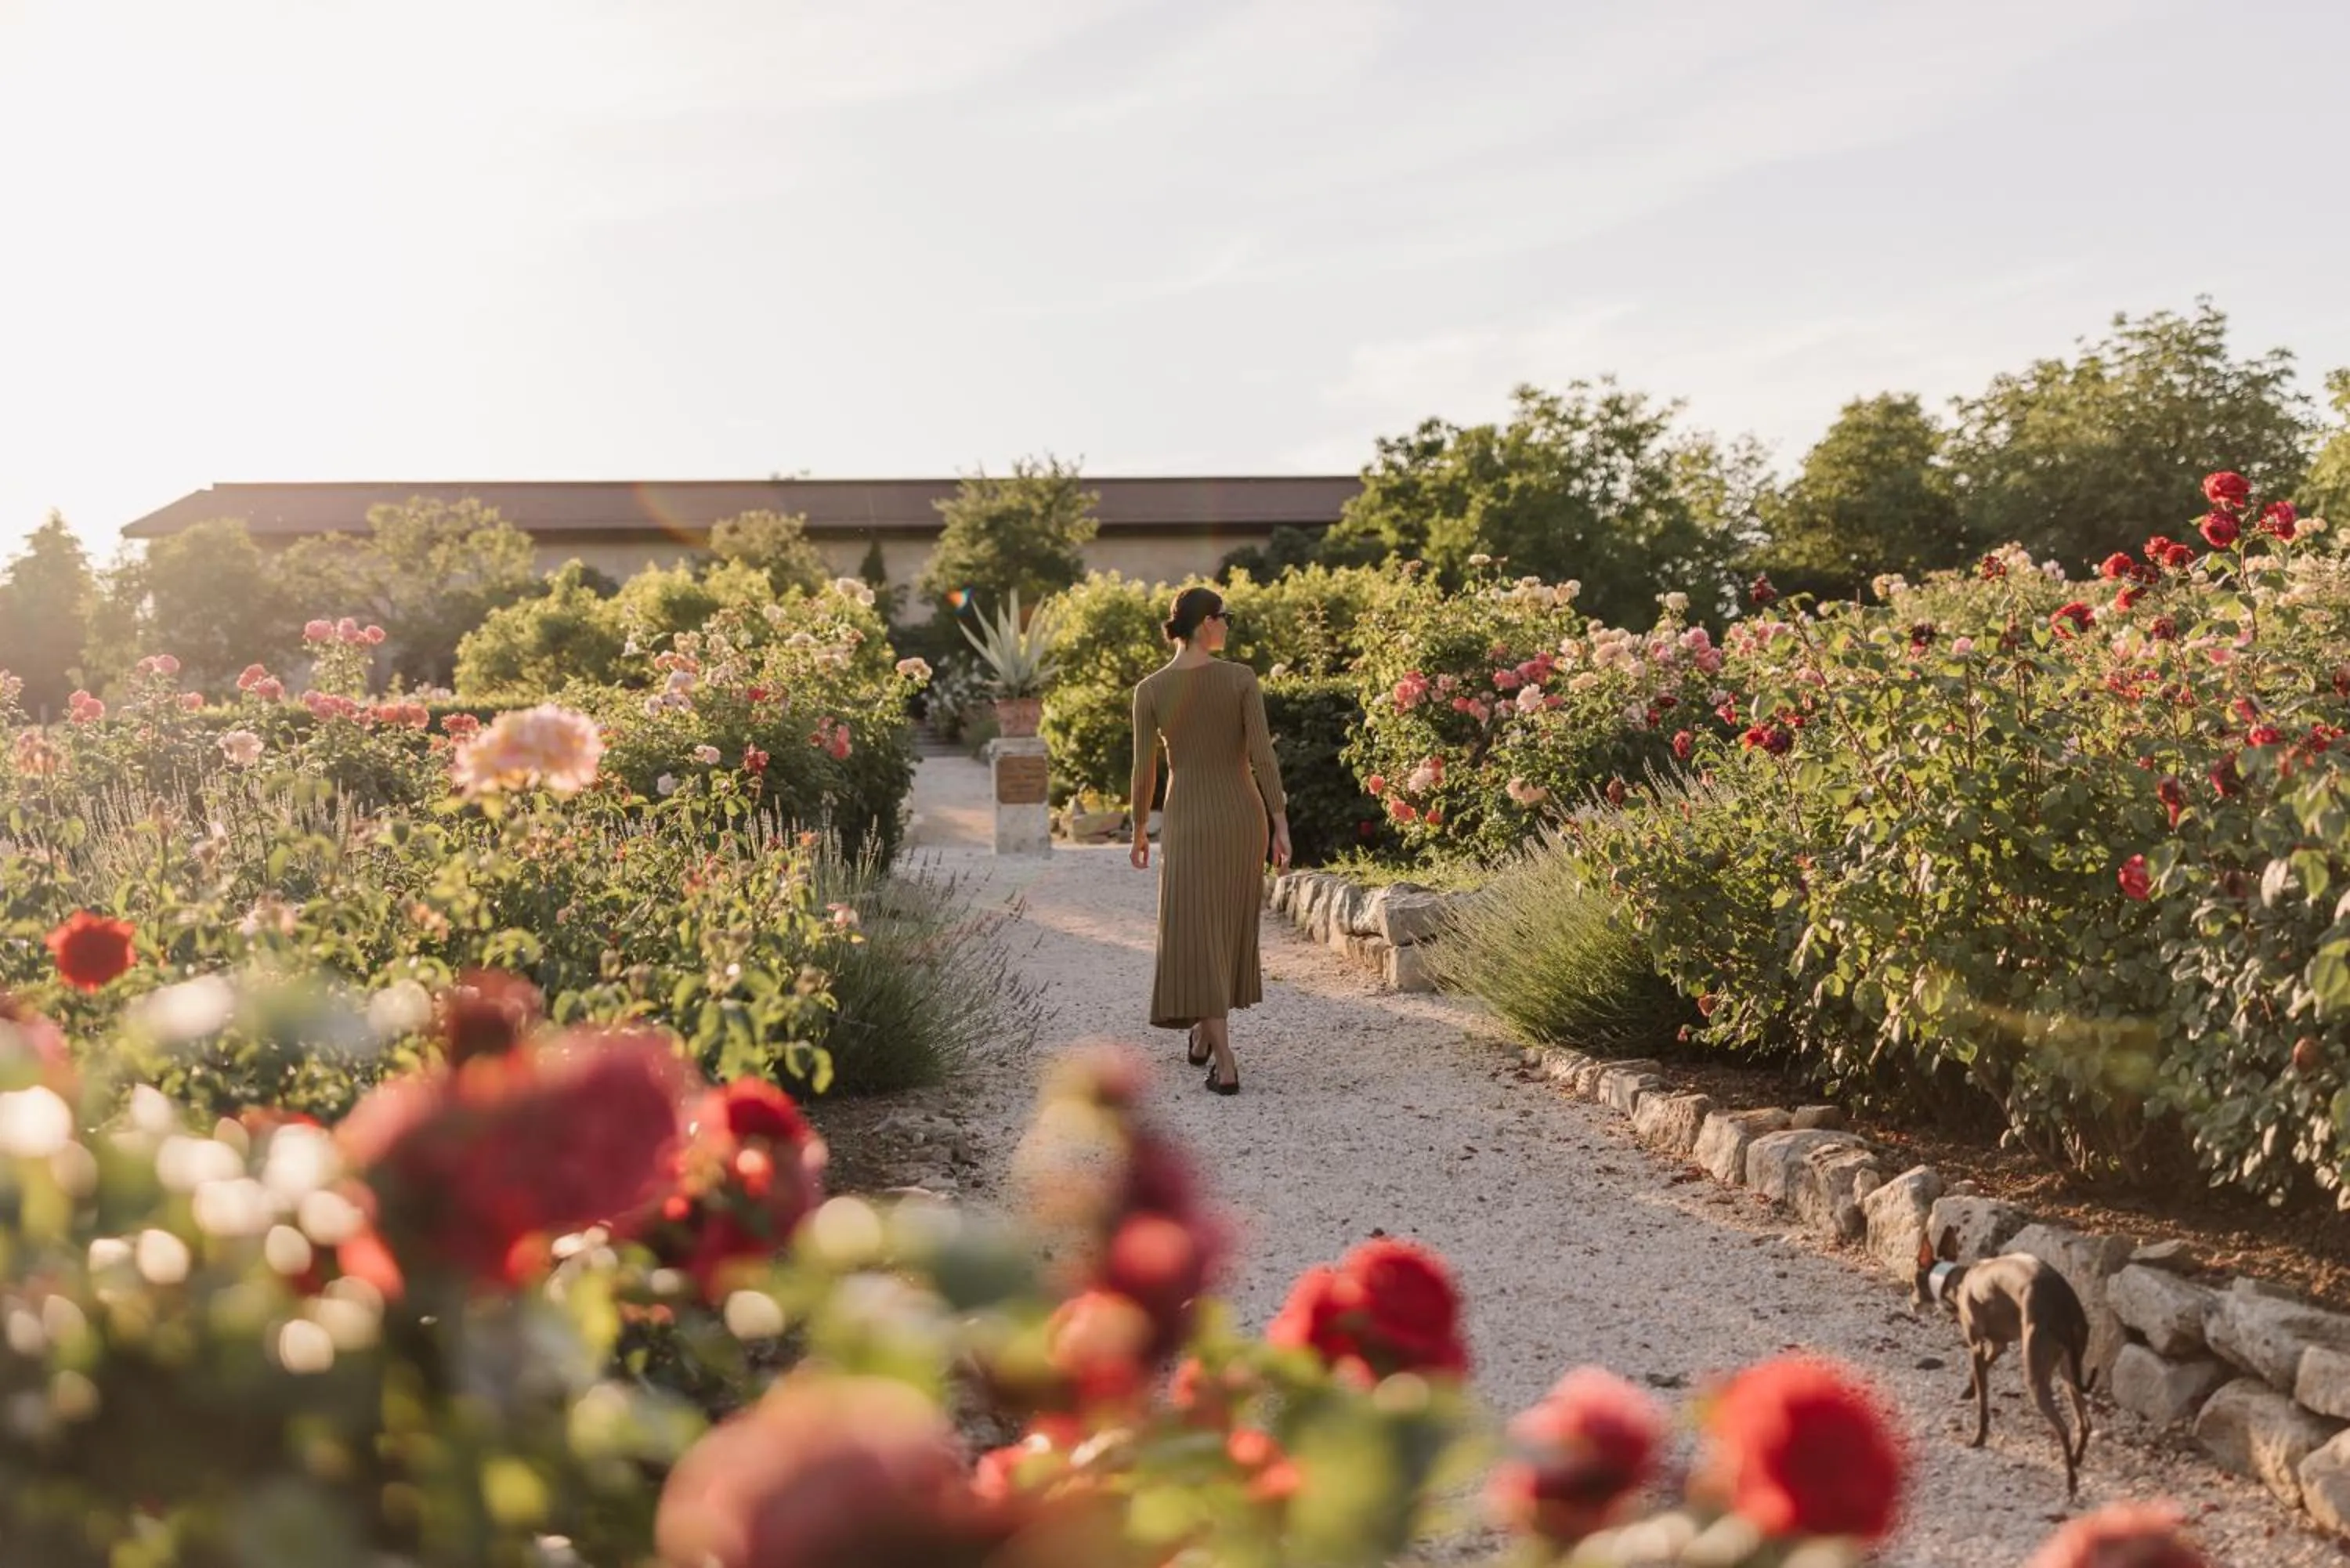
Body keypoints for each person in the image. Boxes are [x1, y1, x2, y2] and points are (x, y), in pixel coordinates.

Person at [1128, 586, 1292, 1096]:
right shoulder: (1241, 679)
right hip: (1243, 820)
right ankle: (1209, 1042)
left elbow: (1143, 770)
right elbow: (1263, 756)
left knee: (1196, 933)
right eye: (1226, 617)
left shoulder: (1150, 690)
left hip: (1188, 822)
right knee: (1220, 931)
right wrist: (1280, 819)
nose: (1229, 625)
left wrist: (1138, 827)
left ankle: (1223, 1062)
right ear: (1205, 624)